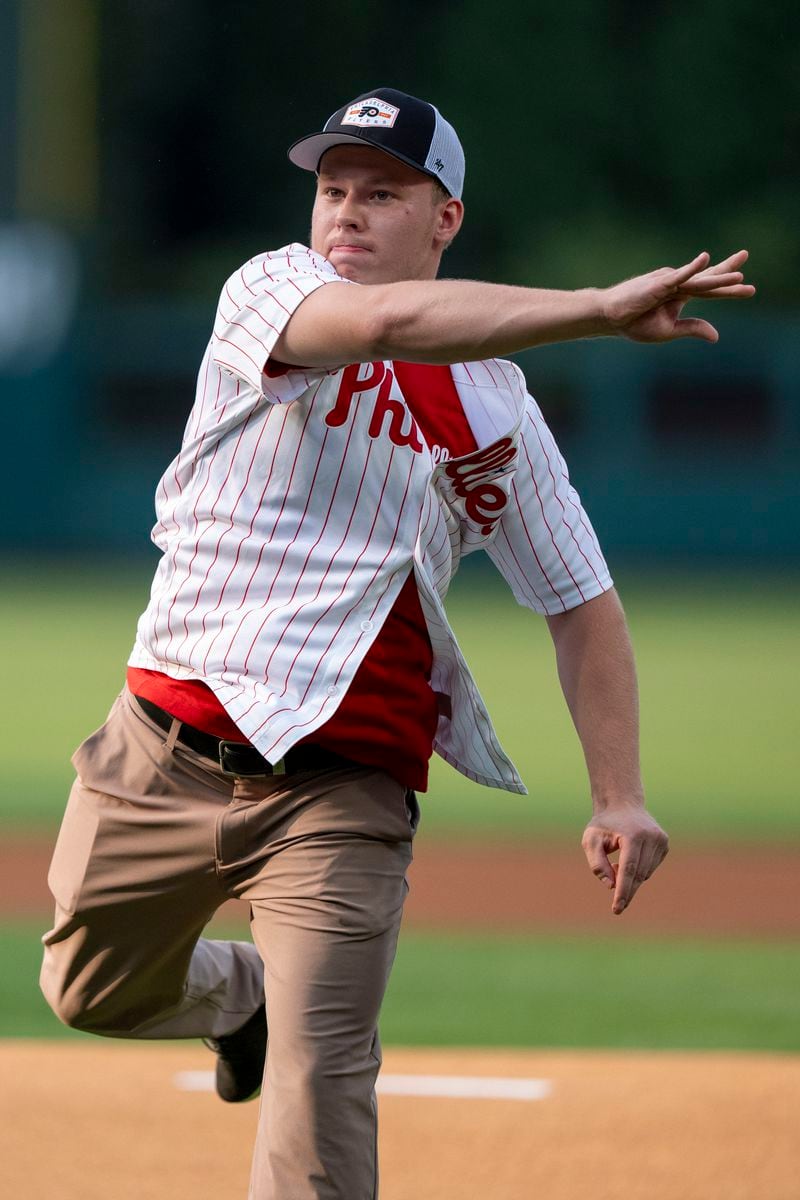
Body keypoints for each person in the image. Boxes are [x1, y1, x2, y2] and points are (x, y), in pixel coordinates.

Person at [40, 88, 754, 1199]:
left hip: (344, 788)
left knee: (318, 1105)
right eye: (333, 189)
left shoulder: (498, 411)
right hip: (163, 747)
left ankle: (285, 1030)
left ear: (446, 219)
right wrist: (595, 309)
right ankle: (240, 997)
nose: (347, 214)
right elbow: (381, 327)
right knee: (88, 992)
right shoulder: (268, 292)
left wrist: (617, 792)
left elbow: (580, 601)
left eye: (383, 192)